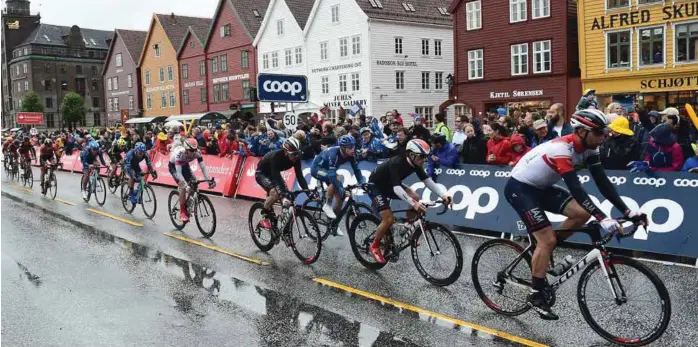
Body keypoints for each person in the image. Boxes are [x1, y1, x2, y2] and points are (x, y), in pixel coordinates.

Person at [505, 109, 645, 320]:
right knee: (547, 239)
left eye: (605, 131)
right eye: (599, 132)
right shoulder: (561, 149)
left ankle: (545, 250)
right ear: (581, 131)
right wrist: (603, 217)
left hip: (542, 187)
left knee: (581, 215)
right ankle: (535, 295)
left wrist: (628, 211)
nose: (603, 136)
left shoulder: (590, 148)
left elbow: (603, 183)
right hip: (521, 188)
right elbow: (577, 189)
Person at [367, 139, 452, 263]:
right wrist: (413, 204)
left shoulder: (416, 164)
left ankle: (407, 227)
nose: (424, 160)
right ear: (411, 155)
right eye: (422, 157)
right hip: (375, 186)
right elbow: (397, 188)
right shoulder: (397, 162)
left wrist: (443, 195)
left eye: (426, 157)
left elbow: (428, 181)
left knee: (416, 197)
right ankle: (374, 245)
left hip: (390, 185)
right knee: (389, 220)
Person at [310, 135, 365, 234]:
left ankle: (333, 223)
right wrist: (340, 188)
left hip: (328, 170)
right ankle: (327, 205)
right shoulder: (334, 154)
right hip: (317, 169)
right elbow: (331, 176)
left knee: (341, 197)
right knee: (337, 178)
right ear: (343, 148)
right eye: (350, 148)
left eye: (354, 147)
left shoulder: (351, 154)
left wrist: (362, 182)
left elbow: (356, 170)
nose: (353, 150)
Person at [255, 138, 309, 228]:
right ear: (286, 152)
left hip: (274, 174)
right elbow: (275, 177)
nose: (296, 157)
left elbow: (300, 176)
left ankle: (284, 225)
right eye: (294, 154)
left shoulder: (296, 158)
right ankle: (263, 216)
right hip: (262, 173)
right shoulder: (276, 156)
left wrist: (308, 192)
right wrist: (282, 192)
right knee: (276, 193)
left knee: (287, 197)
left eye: (298, 154)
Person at [169, 139, 215, 222]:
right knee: (183, 186)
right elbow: (179, 173)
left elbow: (203, 167)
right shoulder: (180, 154)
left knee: (194, 184)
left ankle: (188, 204)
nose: (194, 152)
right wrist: (185, 186)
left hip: (185, 165)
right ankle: (182, 212)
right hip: (174, 167)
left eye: (195, 150)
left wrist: (209, 181)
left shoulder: (197, 152)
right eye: (191, 150)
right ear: (186, 150)